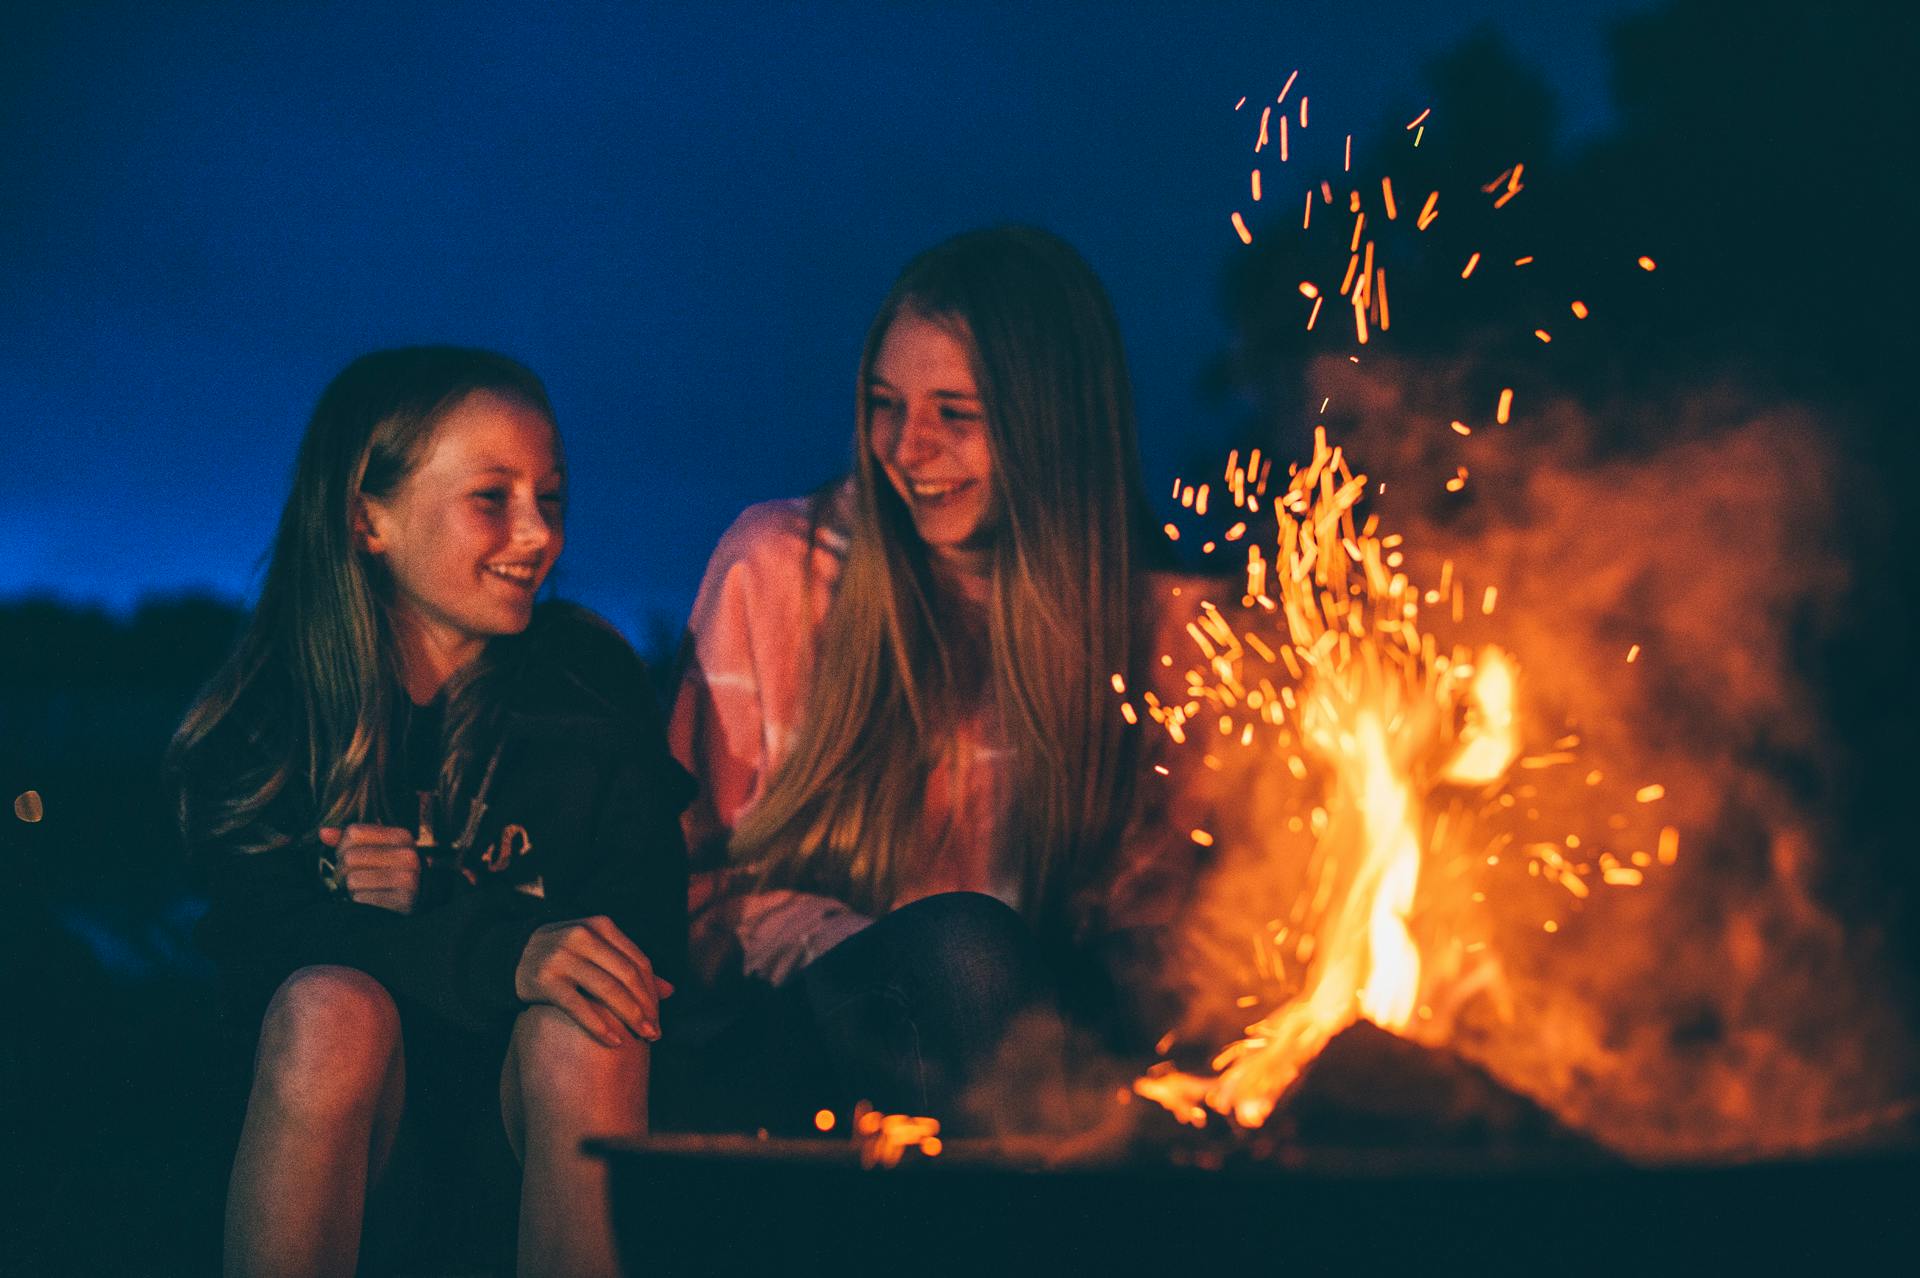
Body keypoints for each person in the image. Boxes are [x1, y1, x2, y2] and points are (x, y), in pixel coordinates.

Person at [669, 226, 1208, 1129]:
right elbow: (685, 891)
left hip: (1053, 1047)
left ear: (1051, 425)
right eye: (885, 404)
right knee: (964, 953)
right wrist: (886, 952)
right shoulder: (779, 572)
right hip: (805, 1037)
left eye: (955, 415)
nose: (906, 449)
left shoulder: (1166, 625)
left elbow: (1156, 929)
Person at [170, 347, 691, 1277]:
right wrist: (503, 947)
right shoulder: (274, 711)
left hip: (527, 1137)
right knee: (329, 1007)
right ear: (370, 518)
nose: (538, 535)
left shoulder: (587, 682)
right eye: (492, 498)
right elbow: (251, 948)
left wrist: (446, 910)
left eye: (553, 498)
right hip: (360, 1155)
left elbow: (646, 940)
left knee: (593, 1015)